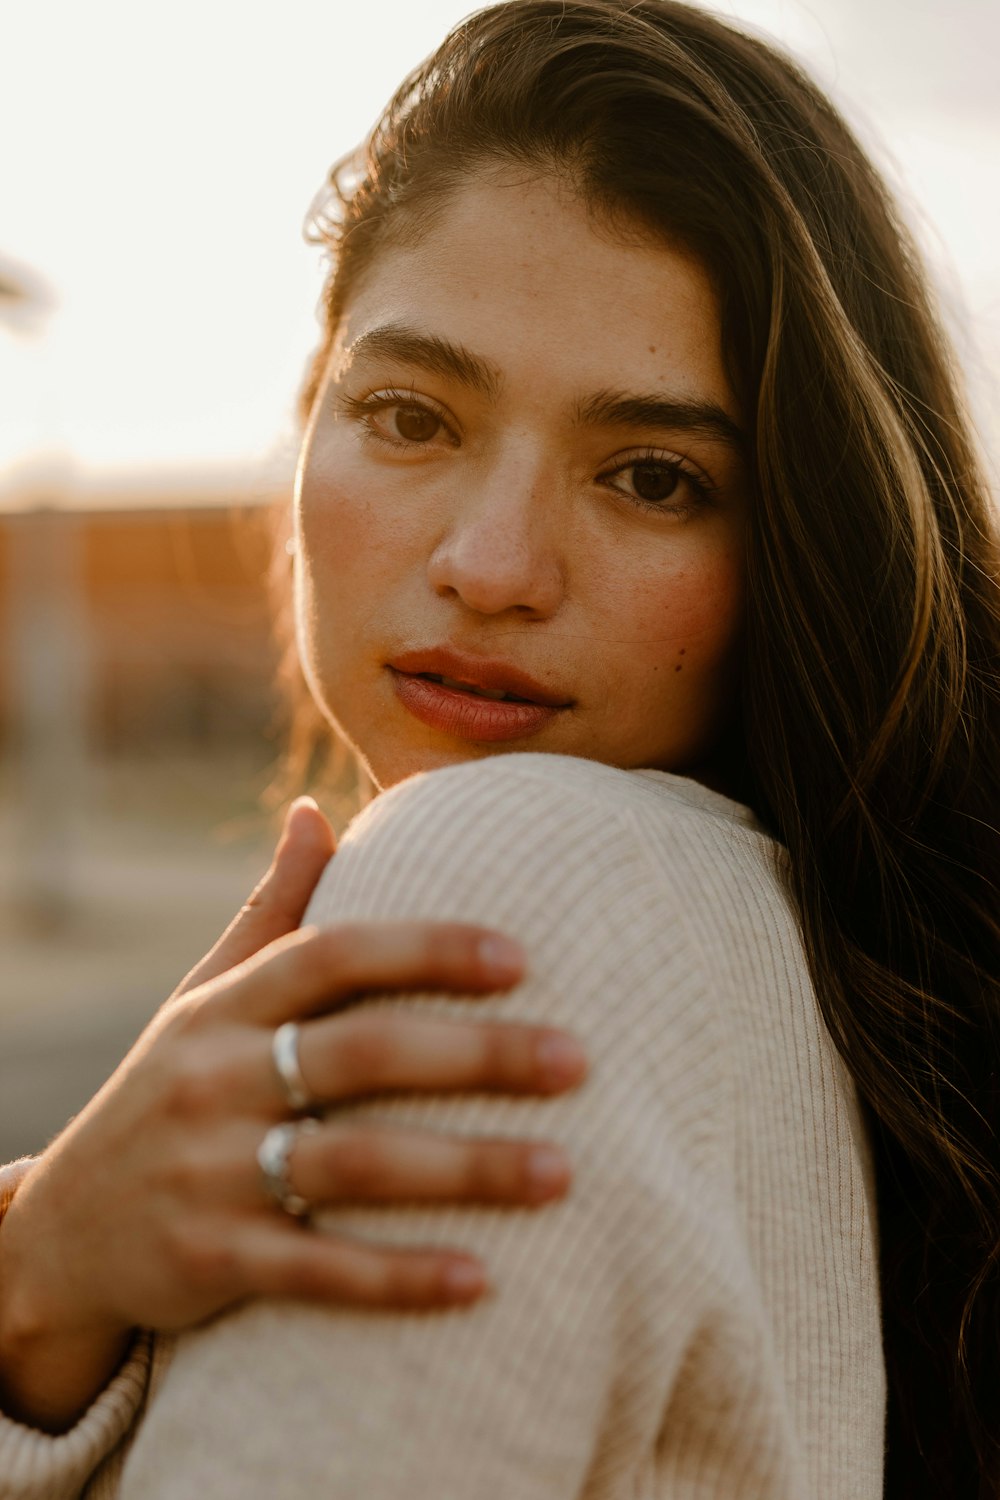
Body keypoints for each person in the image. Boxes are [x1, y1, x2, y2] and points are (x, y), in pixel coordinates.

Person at [1, 1, 998, 1495]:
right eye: (409, 415)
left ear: (807, 536)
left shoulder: (513, 884)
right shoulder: (817, 975)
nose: (491, 561)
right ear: (307, 417)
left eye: (653, 477)